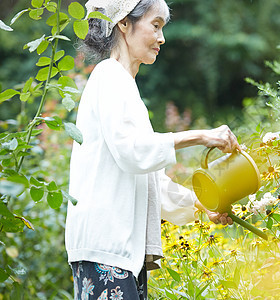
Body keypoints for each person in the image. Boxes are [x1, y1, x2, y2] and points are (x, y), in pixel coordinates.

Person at [65, 0, 238, 299]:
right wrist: (201, 136)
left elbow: (149, 178)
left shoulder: (124, 85)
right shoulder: (108, 76)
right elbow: (132, 152)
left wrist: (202, 205)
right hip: (106, 249)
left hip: (118, 252)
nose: (162, 38)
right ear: (124, 24)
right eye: (155, 26)